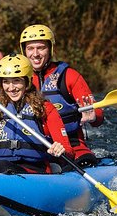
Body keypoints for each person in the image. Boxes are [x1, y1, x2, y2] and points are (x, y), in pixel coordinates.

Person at [19, 24, 104, 167]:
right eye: (30, 49)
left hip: (71, 145)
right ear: (24, 51)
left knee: (84, 162)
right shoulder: (17, 80)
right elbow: (4, 110)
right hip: (34, 148)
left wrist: (93, 116)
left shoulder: (69, 76)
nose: (35, 54)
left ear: (50, 49)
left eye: (41, 48)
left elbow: (98, 115)